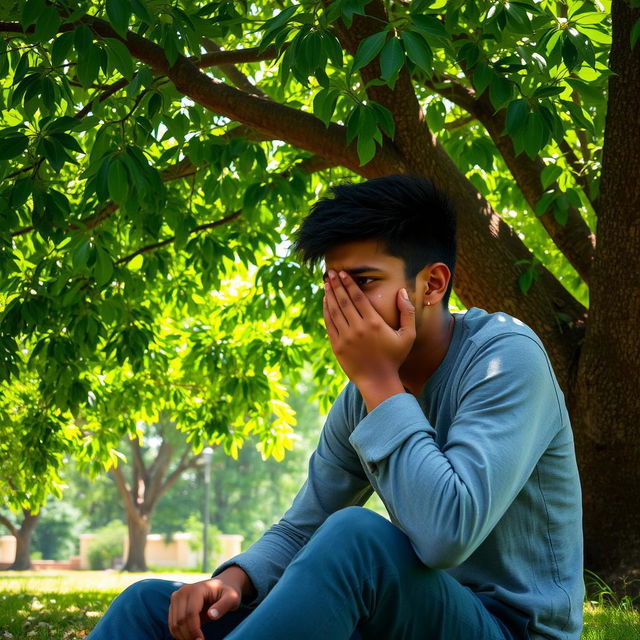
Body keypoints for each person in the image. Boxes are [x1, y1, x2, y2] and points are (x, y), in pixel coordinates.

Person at [88, 175, 583, 640]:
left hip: (510, 628)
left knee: (357, 538)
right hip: (402, 616)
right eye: (332, 284)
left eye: (363, 282)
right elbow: (304, 523)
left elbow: (446, 536)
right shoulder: (364, 395)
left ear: (432, 285)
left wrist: (378, 380)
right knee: (150, 604)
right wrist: (234, 580)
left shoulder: (506, 358)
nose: (340, 304)